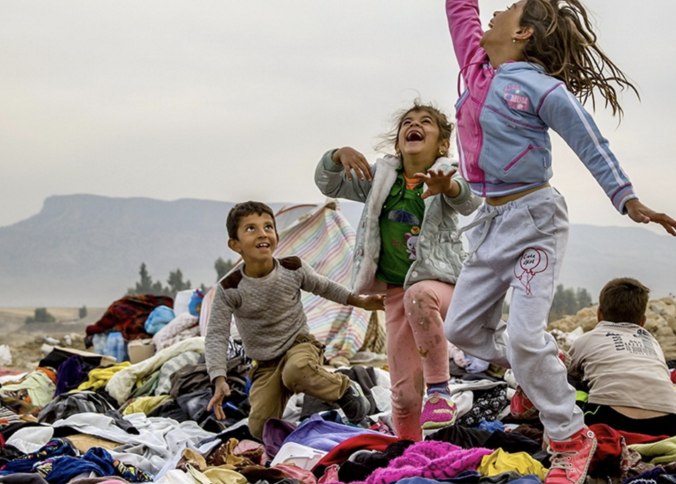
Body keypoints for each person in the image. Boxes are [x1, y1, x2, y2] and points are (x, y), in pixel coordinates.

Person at [441, 0, 676, 484]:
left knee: (521, 334)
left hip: (535, 219)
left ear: (523, 35)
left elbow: (589, 141)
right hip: (490, 222)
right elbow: (460, 8)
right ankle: (539, 366)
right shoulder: (476, 65)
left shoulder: (541, 90)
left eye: (507, 11)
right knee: (462, 332)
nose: (493, 15)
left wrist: (627, 198)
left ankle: (569, 437)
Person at [314, 102, 482, 439]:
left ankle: (439, 391)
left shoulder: (447, 172)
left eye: (424, 122)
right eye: (407, 122)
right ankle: (409, 454)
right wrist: (336, 155)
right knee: (403, 398)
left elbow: (469, 200)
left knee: (421, 294)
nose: (413, 125)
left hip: (443, 286)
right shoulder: (382, 179)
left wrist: (446, 186)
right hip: (396, 294)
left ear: (442, 144)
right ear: (398, 142)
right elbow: (328, 186)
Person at [205, 201, 384, 439]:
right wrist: (219, 378)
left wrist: (359, 301)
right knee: (260, 429)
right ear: (234, 244)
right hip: (265, 364)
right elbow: (217, 334)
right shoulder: (230, 287)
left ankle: (344, 389)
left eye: (268, 227)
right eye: (251, 229)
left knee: (296, 371)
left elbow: (324, 287)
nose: (262, 233)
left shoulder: (293, 268)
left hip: (300, 347)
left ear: (276, 235)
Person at [567, 278, 676, 438]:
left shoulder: (587, 339)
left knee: (570, 380)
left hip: (610, 421)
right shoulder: (652, 342)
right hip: (670, 424)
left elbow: (567, 374)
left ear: (599, 314)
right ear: (643, 321)